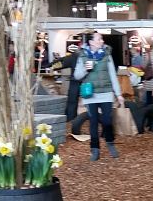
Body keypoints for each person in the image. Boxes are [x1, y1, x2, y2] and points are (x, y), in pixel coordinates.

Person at [73, 31, 123, 161]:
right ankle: (95, 149)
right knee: (93, 122)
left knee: (107, 121)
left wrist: (118, 94)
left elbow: (112, 75)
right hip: (90, 94)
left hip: (106, 92)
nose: (102, 41)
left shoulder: (107, 55)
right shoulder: (83, 55)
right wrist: (86, 69)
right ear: (91, 42)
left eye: (101, 39)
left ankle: (110, 142)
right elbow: (77, 76)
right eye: (99, 39)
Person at [50, 43, 82, 127]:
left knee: (72, 101)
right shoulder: (87, 55)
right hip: (85, 80)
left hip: (75, 80)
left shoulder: (74, 56)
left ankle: (71, 118)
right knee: (88, 102)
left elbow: (62, 62)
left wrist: (50, 66)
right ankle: (72, 119)